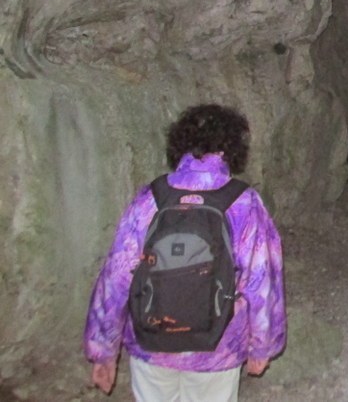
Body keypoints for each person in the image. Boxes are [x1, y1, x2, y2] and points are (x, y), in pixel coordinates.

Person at [83, 104, 287, 400]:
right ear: (232, 148)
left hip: (151, 342)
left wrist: (104, 349)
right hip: (218, 347)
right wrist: (262, 345)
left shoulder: (150, 197)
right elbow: (262, 279)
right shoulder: (244, 203)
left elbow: (116, 275)